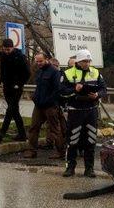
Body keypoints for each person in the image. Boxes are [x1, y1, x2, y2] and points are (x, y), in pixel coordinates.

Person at [60, 49, 106, 177]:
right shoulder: (67, 73)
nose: (87, 63)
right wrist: (75, 89)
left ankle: (89, 169)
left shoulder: (96, 72)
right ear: (79, 61)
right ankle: (70, 167)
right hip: (75, 111)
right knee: (73, 140)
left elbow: (104, 89)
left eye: (89, 61)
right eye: (84, 61)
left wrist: (97, 95)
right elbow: (62, 91)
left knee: (91, 140)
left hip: (91, 111)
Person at [25, 53, 66, 159]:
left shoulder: (54, 72)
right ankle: (32, 150)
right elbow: (39, 87)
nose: (38, 63)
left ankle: (60, 152)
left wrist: (50, 101)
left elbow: (57, 90)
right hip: (39, 105)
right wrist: (35, 98)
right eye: (37, 61)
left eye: (40, 61)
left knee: (54, 129)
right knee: (34, 127)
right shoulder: (40, 71)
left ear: (46, 60)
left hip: (50, 106)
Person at [0, 38, 30, 144]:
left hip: (16, 87)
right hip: (7, 86)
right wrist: (1, 80)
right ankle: (22, 134)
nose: (6, 52)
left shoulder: (20, 57)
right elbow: (2, 69)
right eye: (5, 49)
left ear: (13, 47)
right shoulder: (3, 56)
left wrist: (19, 84)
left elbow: (27, 73)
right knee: (14, 110)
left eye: (8, 50)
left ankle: (2, 133)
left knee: (10, 109)